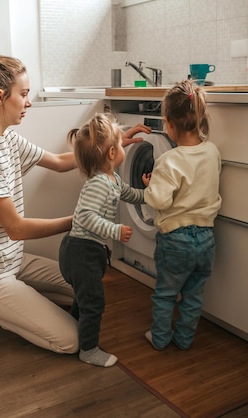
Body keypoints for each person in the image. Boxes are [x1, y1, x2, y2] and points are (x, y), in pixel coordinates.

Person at [0, 42, 147, 354]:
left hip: (11, 261)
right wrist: (80, 221)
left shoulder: (6, 138)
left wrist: (111, 143)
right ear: (0, 97)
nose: (29, 102)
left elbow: (58, 163)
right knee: (71, 341)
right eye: (24, 94)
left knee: (84, 287)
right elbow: (16, 229)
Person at [59, 113, 150, 367]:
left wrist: (150, 193)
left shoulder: (112, 179)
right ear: (111, 154)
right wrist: (115, 230)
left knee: (84, 297)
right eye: (120, 144)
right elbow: (86, 217)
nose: (123, 146)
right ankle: (88, 350)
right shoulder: (99, 183)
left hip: (86, 251)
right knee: (94, 302)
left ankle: (76, 329)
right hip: (81, 252)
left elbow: (131, 195)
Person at [142, 79, 222, 351]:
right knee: (193, 295)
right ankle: (185, 340)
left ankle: (161, 338)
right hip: (207, 238)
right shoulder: (212, 151)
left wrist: (150, 186)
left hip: (176, 240)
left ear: (168, 123)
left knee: (165, 294)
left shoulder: (169, 160)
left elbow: (159, 199)